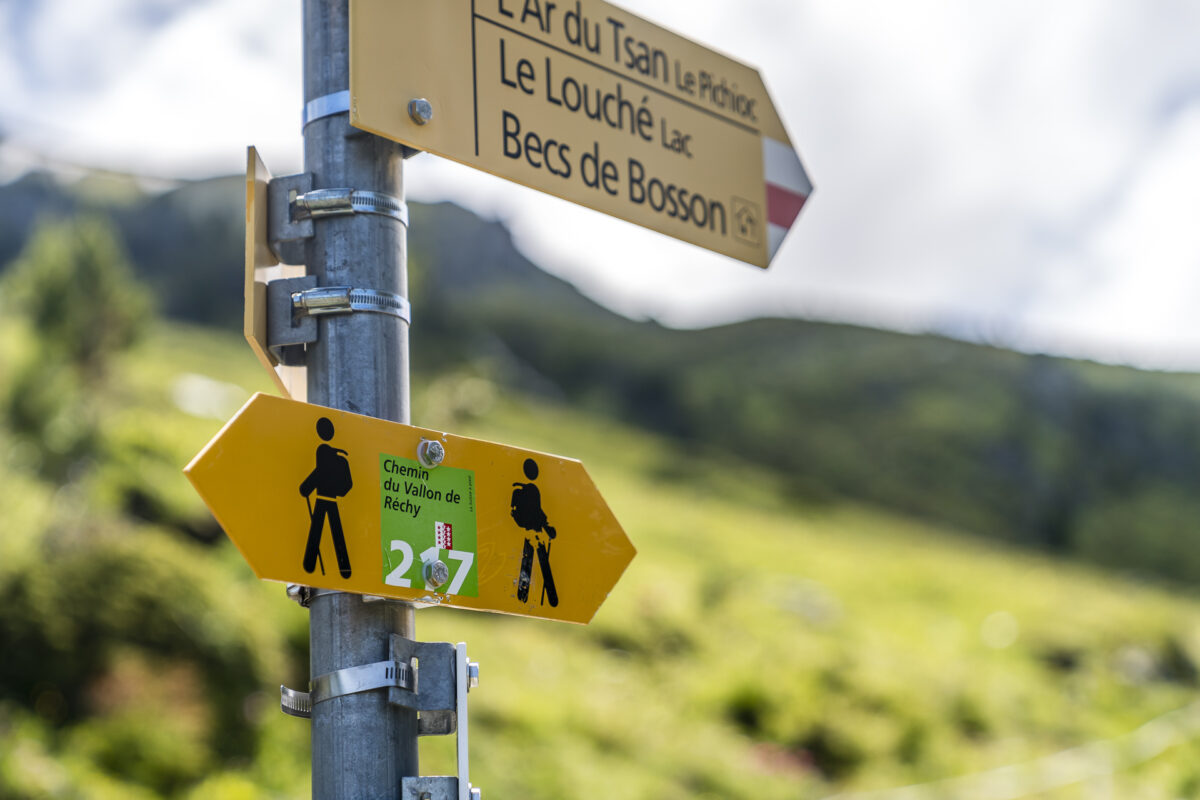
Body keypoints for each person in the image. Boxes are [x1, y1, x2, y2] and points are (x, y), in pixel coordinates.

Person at [299, 417, 353, 579]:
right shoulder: (339, 457)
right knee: (335, 531)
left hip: (322, 499)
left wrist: (305, 488)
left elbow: (319, 473)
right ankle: (344, 569)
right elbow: (347, 485)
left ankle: (310, 564)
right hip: (332, 501)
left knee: (317, 530)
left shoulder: (324, 453)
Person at [511, 458, 558, 607]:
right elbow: (522, 512)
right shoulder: (523, 491)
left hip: (535, 531)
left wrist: (546, 526)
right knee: (528, 561)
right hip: (530, 531)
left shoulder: (533, 490)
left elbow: (538, 511)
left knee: (539, 561)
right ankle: (522, 595)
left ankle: (548, 597)